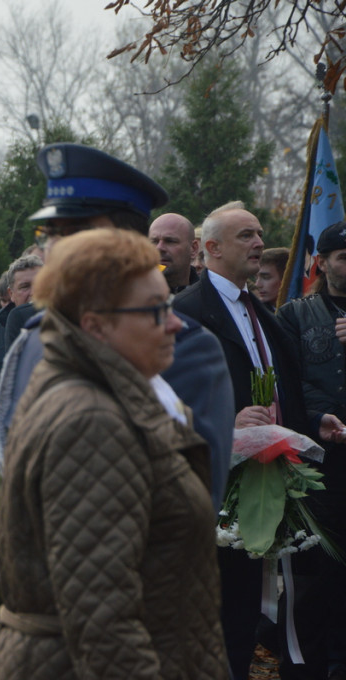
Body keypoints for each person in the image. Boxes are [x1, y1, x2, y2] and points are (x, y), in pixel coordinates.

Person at [0, 228, 228, 679]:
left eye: (170, 306)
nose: (175, 323)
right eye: (156, 312)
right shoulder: (92, 420)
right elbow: (103, 622)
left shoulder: (87, 384)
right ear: (96, 325)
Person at [0, 143, 235, 519]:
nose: (53, 248)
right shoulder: (36, 337)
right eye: (49, 232)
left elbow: (188, 508)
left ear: (127, 243)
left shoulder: (183, 346)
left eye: (73, 232)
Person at [174, 202, 346, 679]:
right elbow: (167, 398)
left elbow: (277, 392)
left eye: (258, 233)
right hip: (212, 486)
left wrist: (313, 425)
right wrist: (225, 424)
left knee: (254, 610)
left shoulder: (264, 313)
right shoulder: (186, 313)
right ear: (211, 248)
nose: (258, 243)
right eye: (246, 235)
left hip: (265, 481)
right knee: (221, 616)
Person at [277, 221, 346, 679]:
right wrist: (317, 418)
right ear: (321, 262)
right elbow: (286, 382)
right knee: (316, 578)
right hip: (318, 468)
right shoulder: (294, 316)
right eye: (343, 256)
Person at [0, 255, 41, 434]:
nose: (34, 293)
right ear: (11, 294)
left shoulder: (69, 324)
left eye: (40, 282)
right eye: (25, 287)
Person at [149, 212, 200, 293]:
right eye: (154, 242)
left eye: (170, 241)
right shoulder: (129, 296)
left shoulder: (210, 295)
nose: (159, 248)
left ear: (193, 248)